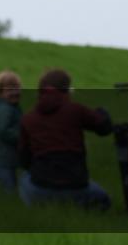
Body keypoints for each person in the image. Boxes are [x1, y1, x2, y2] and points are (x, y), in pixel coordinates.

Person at [17, 69, 112, 210]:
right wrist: (102, 112)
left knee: (24, 178)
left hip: (42, 188)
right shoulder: (76, 110)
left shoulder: (27, 119)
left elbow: (23, 160)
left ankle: (37, 208)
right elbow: (105, 128)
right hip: (77, 186)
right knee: (104, 200)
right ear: (66, 90)